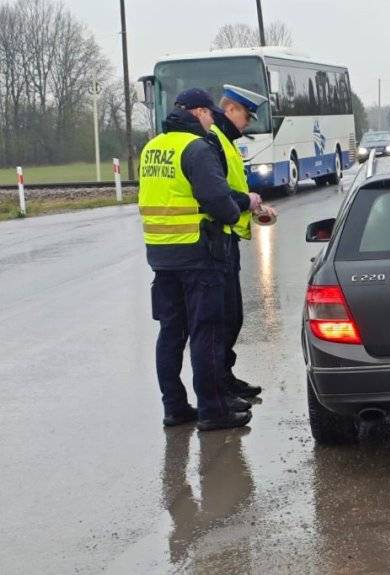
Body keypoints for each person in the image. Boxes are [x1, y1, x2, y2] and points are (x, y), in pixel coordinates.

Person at [139, 88, 252, 431]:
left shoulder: (152, 147)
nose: (212, 121)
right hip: (199, 255)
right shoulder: (196, 148)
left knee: (171, 333)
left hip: (161, 256)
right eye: (210, 115)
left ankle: (174, 407)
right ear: (200, 113)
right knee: (207, 333)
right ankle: (213, 411)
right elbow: (218, 200)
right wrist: (238, 210)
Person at [209, 84, 272, 399]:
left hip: (228, 235)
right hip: (216, 239)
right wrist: (246, 201)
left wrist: (254, 205)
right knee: (223, 317)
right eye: (246, 116)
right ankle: (220, 386)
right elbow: (216, 192)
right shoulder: (216, 140)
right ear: (231, 109)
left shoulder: (226, 140)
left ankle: (226, 377)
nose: (247, 123)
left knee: (232, 315)